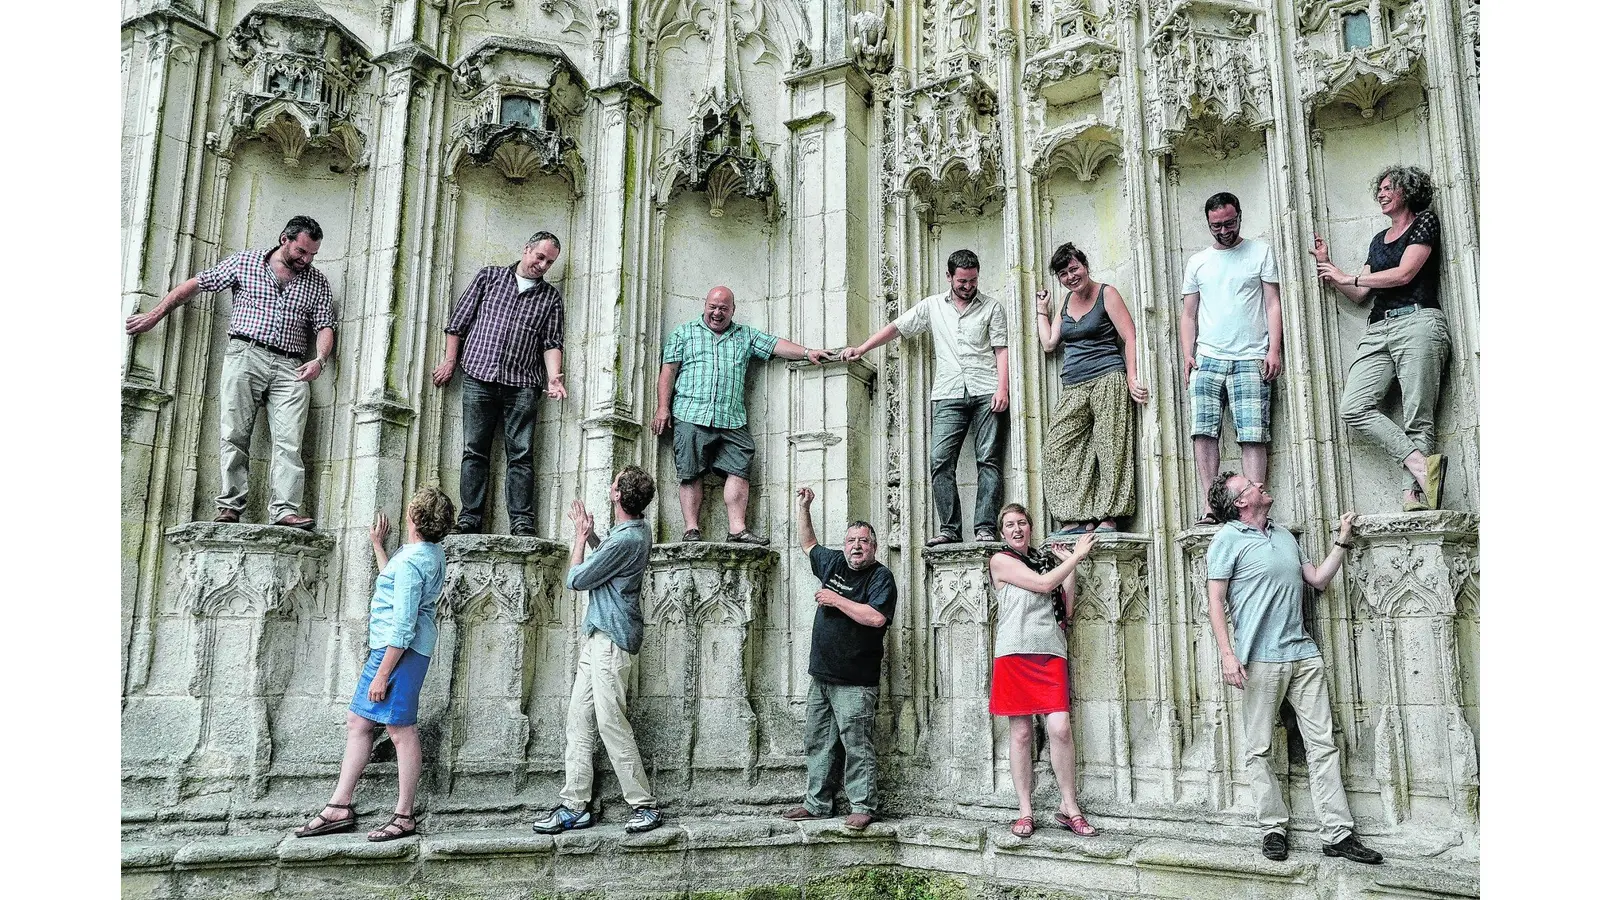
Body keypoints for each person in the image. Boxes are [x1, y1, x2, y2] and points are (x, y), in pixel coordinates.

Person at [1204, 472, 1382, 864]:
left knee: (1324, 745)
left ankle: (1337, 834)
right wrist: (1227, 654)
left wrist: (1342, 540)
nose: (1260, 484)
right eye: (1250, 483)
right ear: (1240, 502)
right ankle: (1272, 827)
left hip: (1303, 654)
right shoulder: (1227, 539)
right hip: (1259, 659)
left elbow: (1316, 579)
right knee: (1260, 748)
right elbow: (1215, 601)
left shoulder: (1283, 534)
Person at [125, 215, 337, 529]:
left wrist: (319, 359)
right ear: (284, 239)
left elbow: (325, 326)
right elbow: (196, 285)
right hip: (245, 354)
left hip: (291, 366)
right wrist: (155, 315)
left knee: (290, 441)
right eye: (302, 252)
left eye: (312, 255)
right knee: (234, 434)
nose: (306, 260)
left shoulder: (316, 281)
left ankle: (284, 511)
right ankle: (230, 506)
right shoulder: (245, 262)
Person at [293, 486, 456, 842]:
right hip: (395, 650)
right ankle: (339, 806)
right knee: (360, 721)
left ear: (413, 518)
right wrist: (379, 548)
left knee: (400, 729)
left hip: (399, 652)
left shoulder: (415, 561)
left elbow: (404, 623)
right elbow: (396, 586)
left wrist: (382, 674)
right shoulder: (424, 553)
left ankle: (404, 816)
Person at [843, 249, 1010, 545]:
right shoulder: (933, 306)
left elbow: (1001, 349)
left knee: (989, 460)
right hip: (947, 392)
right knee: (939, 460)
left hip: (986, 389)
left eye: (972, 280)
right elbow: (897, 327)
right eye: (962, 281)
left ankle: (985, 526)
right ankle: (950, 529)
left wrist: (1003, 388)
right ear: (949, 277)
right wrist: (863, 348)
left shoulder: (992, 307)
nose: (968, 286)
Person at [534, 465, 664, 835]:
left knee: (610, 722)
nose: (609, 487)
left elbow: (577, 578)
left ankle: (644, 805)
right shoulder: (631, 531)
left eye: (613, 484)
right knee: (579, 721)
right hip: (599, 637)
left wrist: (578, 537)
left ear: (618, 496)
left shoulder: (629, 538)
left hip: (611, 640)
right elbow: (607, 558)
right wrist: (593, 538)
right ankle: (574, 805)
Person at [1311, 165, 1451, 511]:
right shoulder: (1378, 240)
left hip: (1418, 321)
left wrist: (1352, 278)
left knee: (1418, 414)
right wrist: (1332, 269)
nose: (1382, 194)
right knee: (1353, 406)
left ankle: (1413, 496)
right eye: (1380, 189)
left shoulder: (1424, 223)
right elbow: (1360, 294)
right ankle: (1421, 465)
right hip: (1378, 329)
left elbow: (1405, 274)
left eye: (1389, 188)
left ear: (1407, 190)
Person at [653, 287, 828, 544]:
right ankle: (691, 529)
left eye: (723, 308)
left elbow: (775, 344)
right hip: (690, 413)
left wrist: (807, 352)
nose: (717, 312)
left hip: (731, 417)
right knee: (690, 472)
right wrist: (662, 407)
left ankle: (737, 529)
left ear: (733, 310)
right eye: (713, 306)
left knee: (740, 465)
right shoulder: (684, 333)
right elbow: (668, 371)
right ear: (704, 305)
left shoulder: (744, 335)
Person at [433, 232, 567, 536]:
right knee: (474, 450)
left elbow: (552, 343)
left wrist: (554, 377)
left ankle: (521, 521)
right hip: (479, 376)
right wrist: (450, 361)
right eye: (540, 256)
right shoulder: (489, 277)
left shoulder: (550, 298)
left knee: (520, 455)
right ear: (526, 248)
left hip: (522, 385)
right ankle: (470, 518)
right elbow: (458, 323)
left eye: (550, 262)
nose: (543, 265)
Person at [781, 487, 897, 831]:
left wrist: (836, 600)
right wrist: (804, 507)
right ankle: (817, 803)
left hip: (855, 683)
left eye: (863, 541)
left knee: (857, 745)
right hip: (822, 677)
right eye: (851, 540)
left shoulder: (880, 577)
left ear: (873, 547)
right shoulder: (832, 563)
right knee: (818, 742)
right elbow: (808, 544)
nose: (856, 546)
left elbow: (876, 618)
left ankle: (863, 805)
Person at [988, 503, 1097, 838]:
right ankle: (1025, 810)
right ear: (1002, 532)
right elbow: (1040, 585)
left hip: (1050, 652)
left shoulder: (1047, 561)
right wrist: (1077, 557)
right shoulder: (1001, 560)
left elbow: (1066, 607)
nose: (1017, 529)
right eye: (1010, 525)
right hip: (1014, 653)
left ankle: (1069, 806)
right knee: (1020, 734)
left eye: (1022, 522)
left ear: (1030, 527)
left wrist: (1069, 566)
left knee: (1060, 728)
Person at [1180, 193, 1282, 525]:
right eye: (1216, 226)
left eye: (1229, 223)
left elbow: (1272, 304)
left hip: (1251, 355)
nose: (1224, 230)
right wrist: (1187, 354)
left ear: (1240, 216)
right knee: (1203, 432)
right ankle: (1211, 506)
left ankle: (1255, 507)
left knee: (1253, 433)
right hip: (1208, 357)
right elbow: (1189, 314)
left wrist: (1274, 349)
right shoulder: (1198, 262)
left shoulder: (1260, 252)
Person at [1034, 242, 1149, 536]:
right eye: (1063, 273)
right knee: (1057, 449)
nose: (1071, 276)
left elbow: (1130, 336)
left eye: (1074, 269)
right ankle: (1075, 516)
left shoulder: (1106, 293)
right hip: (1073, 383)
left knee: (1111, 446)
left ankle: (1109, 516)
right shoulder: (1065, 302)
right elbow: (1049, 344)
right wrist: (1041, 312)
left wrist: (1132, 377)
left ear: (1085, 266)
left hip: (1107, 375)